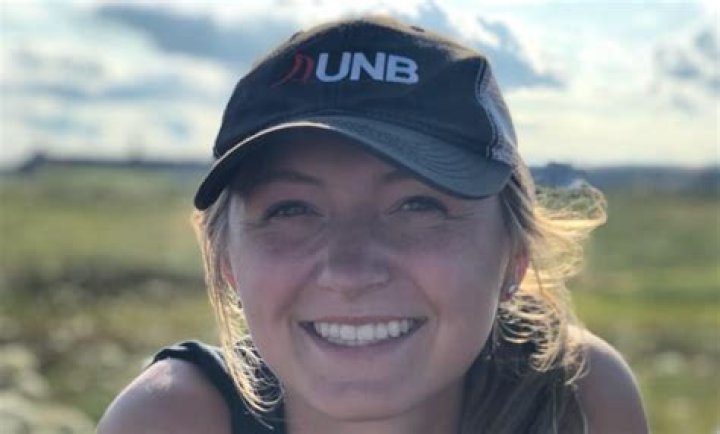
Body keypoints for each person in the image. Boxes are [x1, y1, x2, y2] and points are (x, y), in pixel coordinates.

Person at [97, 15, 648, 434]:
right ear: (228, 264)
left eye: (417, 206)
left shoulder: (573, 399)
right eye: (291, 209)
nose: (349, 272)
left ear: (513, 258)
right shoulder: (169, 420)